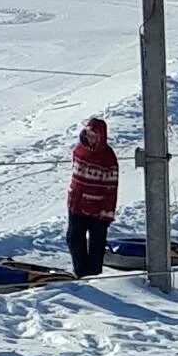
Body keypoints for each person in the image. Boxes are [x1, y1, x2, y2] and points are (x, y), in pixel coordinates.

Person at [66, 117, 118, 278]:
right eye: (88, 134)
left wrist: (107, 212)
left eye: (94, 135)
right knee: (74, 238)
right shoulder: (78, 150)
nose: (90, 138)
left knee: (96, 243)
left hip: (98, 208)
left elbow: (111, 187)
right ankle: (80, 272)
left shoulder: (108, 157)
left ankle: (94, 275)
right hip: (76, 203)